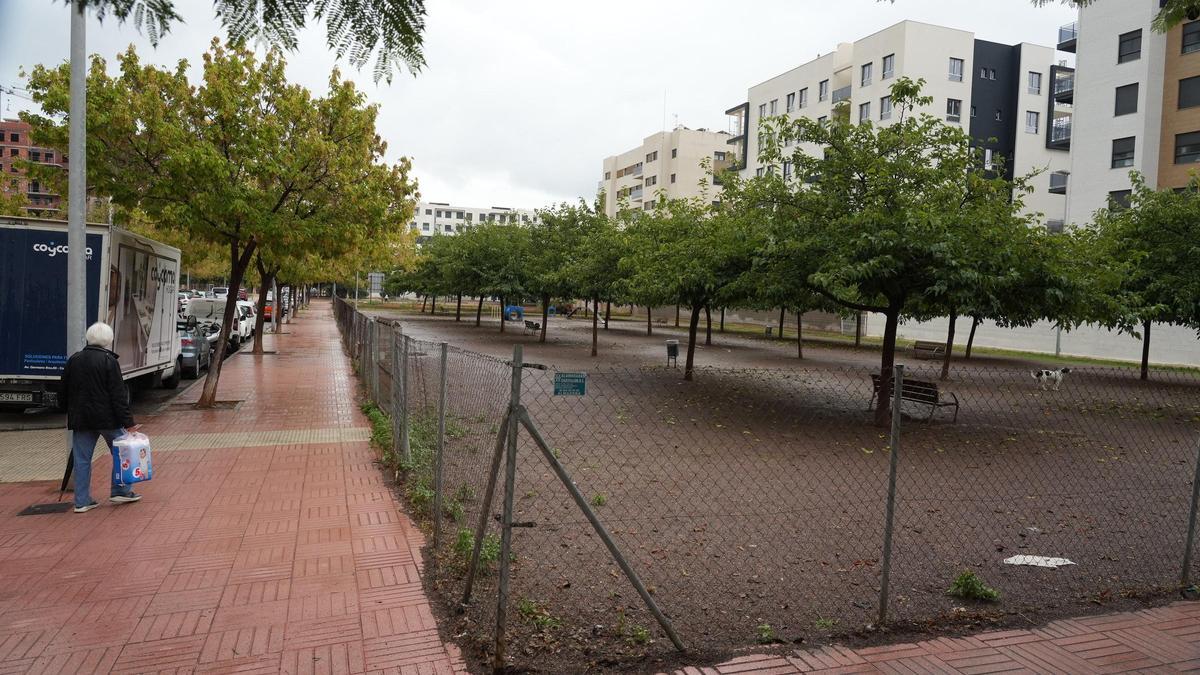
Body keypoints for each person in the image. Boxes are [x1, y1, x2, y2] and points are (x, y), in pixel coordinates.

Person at [61, 322, 143, 513]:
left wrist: (68, 411)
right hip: (108, 419)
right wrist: (128, 423)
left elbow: (63, 389)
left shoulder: (74, 359)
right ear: (108, 340)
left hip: (81, 419)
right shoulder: (109, 361)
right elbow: (118, 396)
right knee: (122, 454)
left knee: (82, 460)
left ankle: (81, 501)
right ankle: (120, 491)